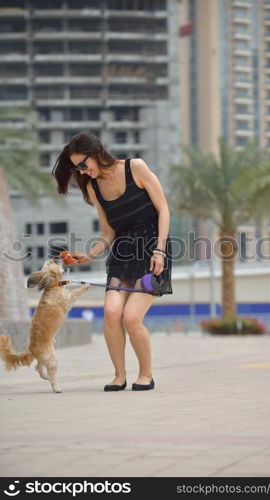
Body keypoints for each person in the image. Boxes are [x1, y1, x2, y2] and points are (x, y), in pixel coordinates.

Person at [52, 132, 172, 392]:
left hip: (153, 248)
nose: (82, 172)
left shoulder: (135, 168)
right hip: (123, 252)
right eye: (77, 169)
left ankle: (146, 375)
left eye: (83, 165)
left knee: (131, 317)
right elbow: (108, 232)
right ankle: (119, 376)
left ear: (96, 152)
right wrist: (89, 255)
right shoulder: (93, 188)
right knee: (110, 313)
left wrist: (160, 251)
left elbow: (163, 209)